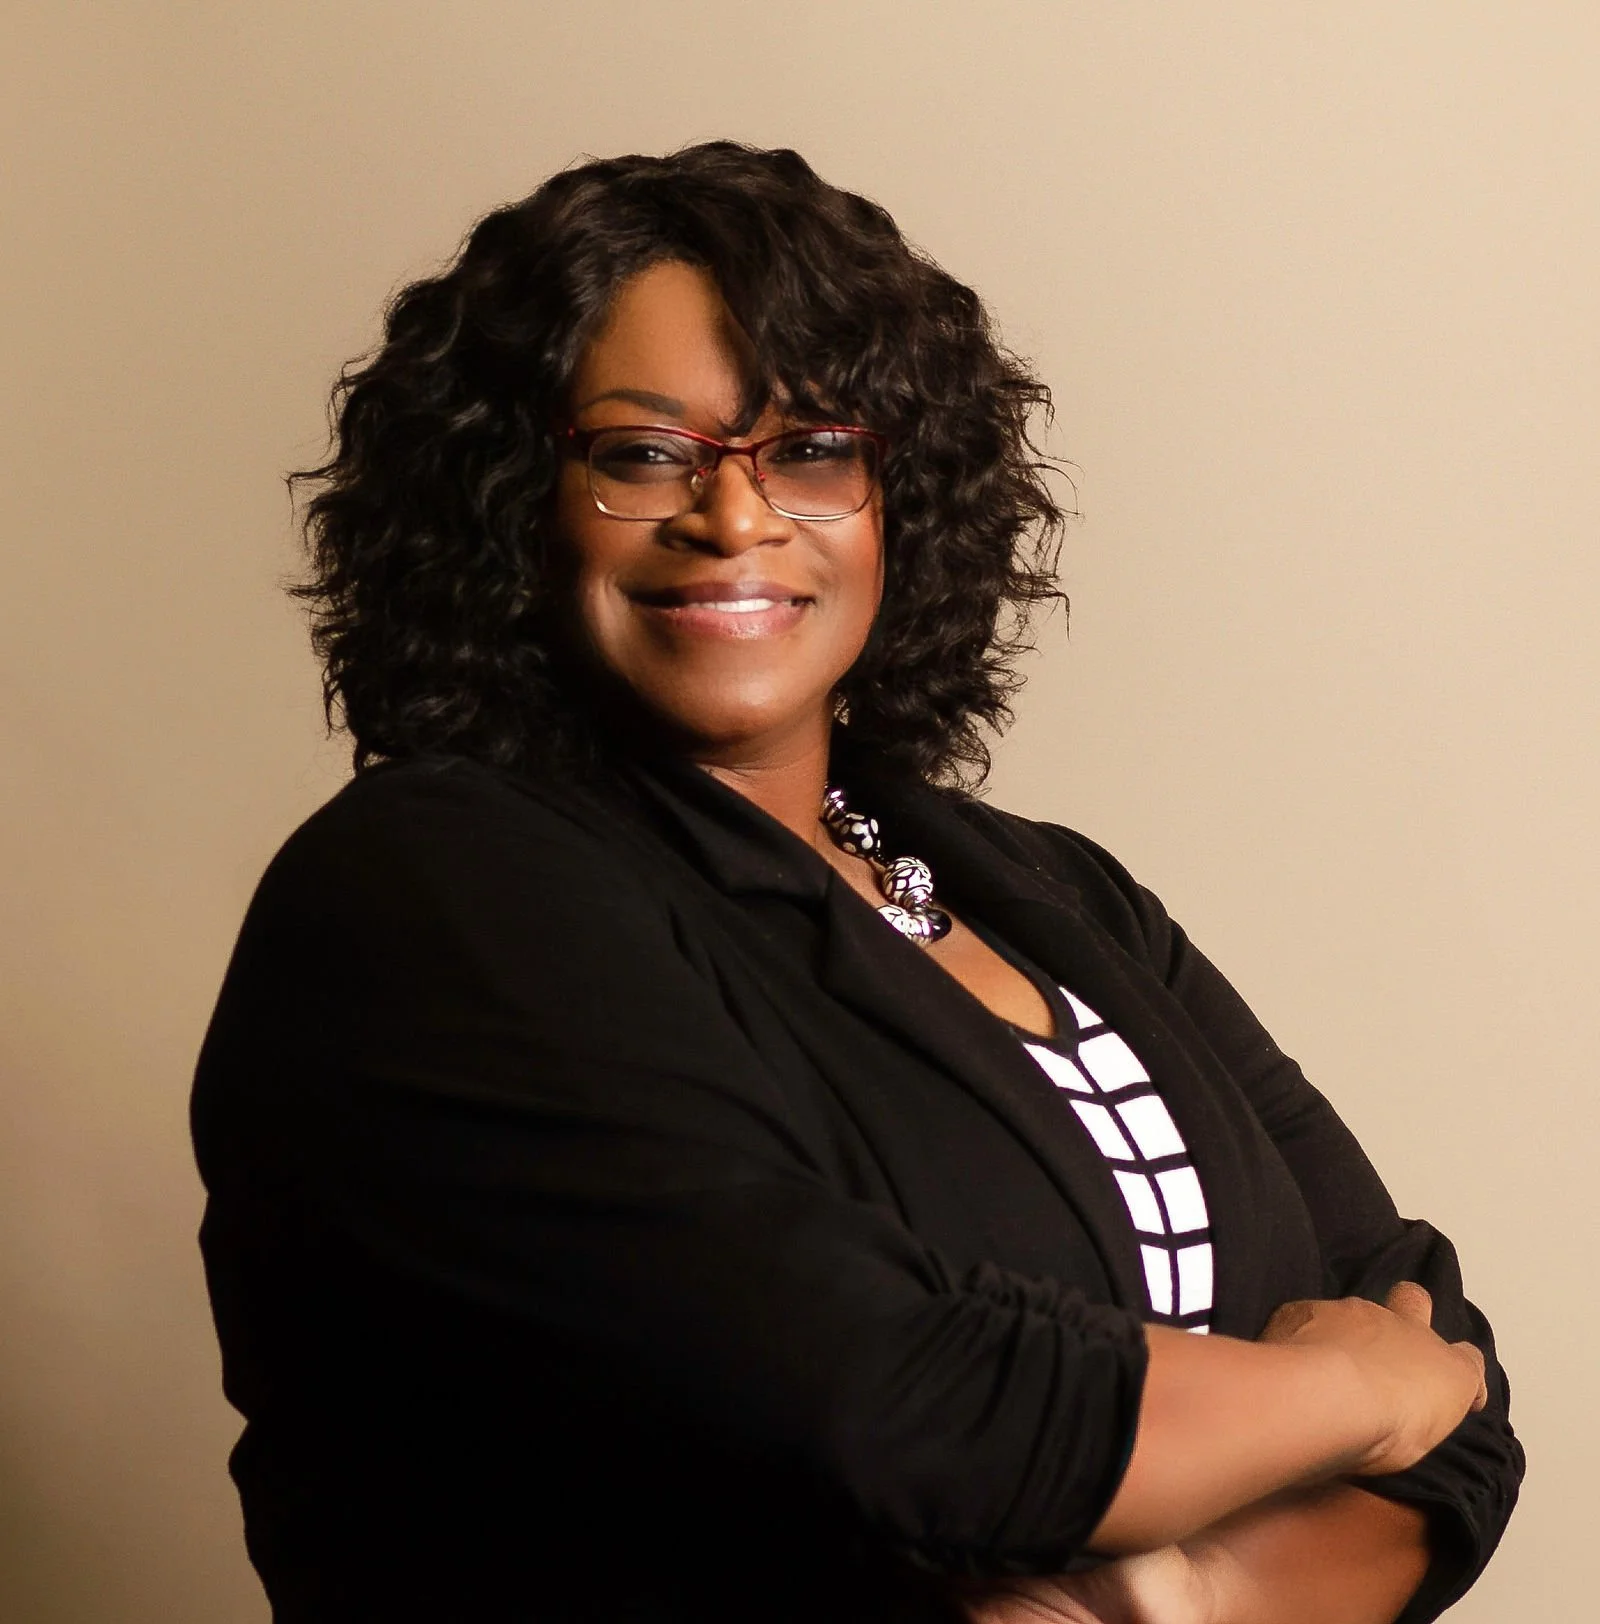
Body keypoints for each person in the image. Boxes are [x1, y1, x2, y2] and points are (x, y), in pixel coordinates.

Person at [191, 142, 1522, 1624]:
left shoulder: (1055, 893)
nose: (738, 519)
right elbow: (900, 1404)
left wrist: (1181, 1602)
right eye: (645, 454)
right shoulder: (426, 900)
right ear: (510, 499)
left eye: (812, 450)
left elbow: (1452, 1394)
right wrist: (1344, 1386)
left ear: (904, 499)